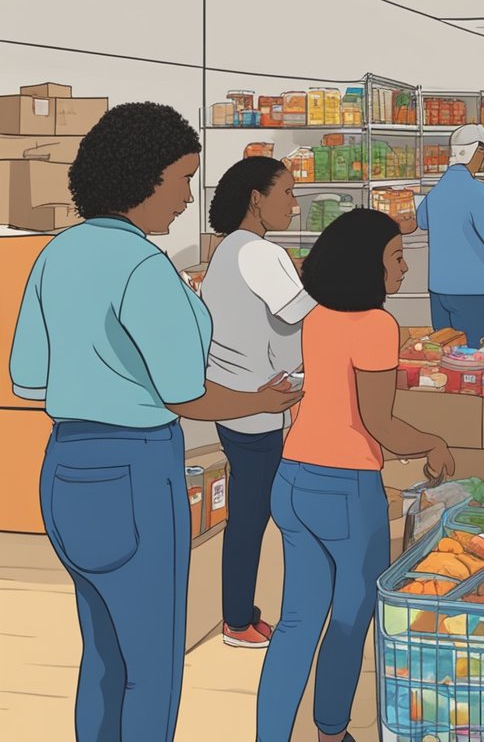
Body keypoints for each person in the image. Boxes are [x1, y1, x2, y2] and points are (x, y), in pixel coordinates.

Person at [8, 102, 302, 741]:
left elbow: (28, 379)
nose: (187, 198)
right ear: (142, 178)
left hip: (65, 470)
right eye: (182, 180)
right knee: (152, 666)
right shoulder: (145, 267)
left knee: (105, 656)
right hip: (135, 473)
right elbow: (187, 395)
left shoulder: (57, 254)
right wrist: (263, 400)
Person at [256, 209, 455, 742]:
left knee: (296, 622)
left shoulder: (317, 316)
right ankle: (330, 732)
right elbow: (380, 421)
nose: (405, 269)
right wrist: (433, 444)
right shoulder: (376, 325)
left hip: (293, 478)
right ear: (365, 264)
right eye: (395, 257)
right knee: (349, 619)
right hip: (345, 490)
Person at [199, 156, 316, 650]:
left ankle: (240, 613)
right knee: (252, 516)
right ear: (256, 198)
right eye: (286, 193)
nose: (294, 203)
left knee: (250, 512)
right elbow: (303, 313)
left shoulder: (230, 250)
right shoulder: (259, 254)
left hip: (237, 400)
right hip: (261, 405)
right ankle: (238, 620)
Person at [417, 124, 484, 347]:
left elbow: (422, 221)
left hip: (439, 290)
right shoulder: (481, 194)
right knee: (471, 359)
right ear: (478, 152)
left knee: (445, 354)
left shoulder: (437, 191)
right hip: (472, 292)